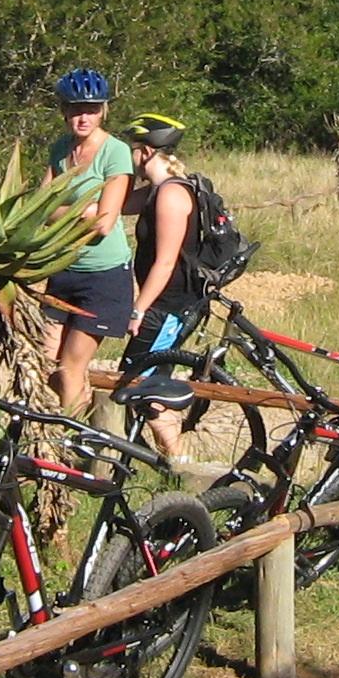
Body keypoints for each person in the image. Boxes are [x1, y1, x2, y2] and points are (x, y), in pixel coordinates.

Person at [41, 68, 136, 417]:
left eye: (92, 109)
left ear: (104, 110)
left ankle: (71, 441)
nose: (83, 117)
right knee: (45, 362)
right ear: (64, 110)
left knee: (70, 368)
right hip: (63, 269)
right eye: (76, 108)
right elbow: (38, 207)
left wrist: (65, 210)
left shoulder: (116, 152)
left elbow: (104, 223)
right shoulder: (60, 150)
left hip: (102, 276)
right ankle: (77, 423)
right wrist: (83, 209)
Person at [119, 112, 206, 458]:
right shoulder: (157, 190)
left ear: (145, 152)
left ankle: (177, 462)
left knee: (143, 383)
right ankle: (171, 461)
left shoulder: (171, 196)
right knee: (149, 379)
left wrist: (139, 308)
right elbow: (118, 204)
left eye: (133, 150)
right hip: (164, 304)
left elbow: (166, 262)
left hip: (169, 306)